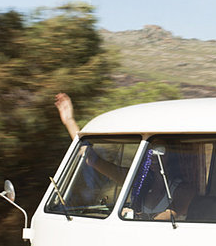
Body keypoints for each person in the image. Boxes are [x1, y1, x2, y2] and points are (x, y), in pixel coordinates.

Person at [54, 93, 195, 221]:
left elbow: (171, 214)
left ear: (172, 156)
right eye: (149, 151)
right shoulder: (138, 181)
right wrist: (69, 121)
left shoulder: (184, 189)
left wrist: (136, 216)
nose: (153, 156)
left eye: (159, 151)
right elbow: (91, 159)